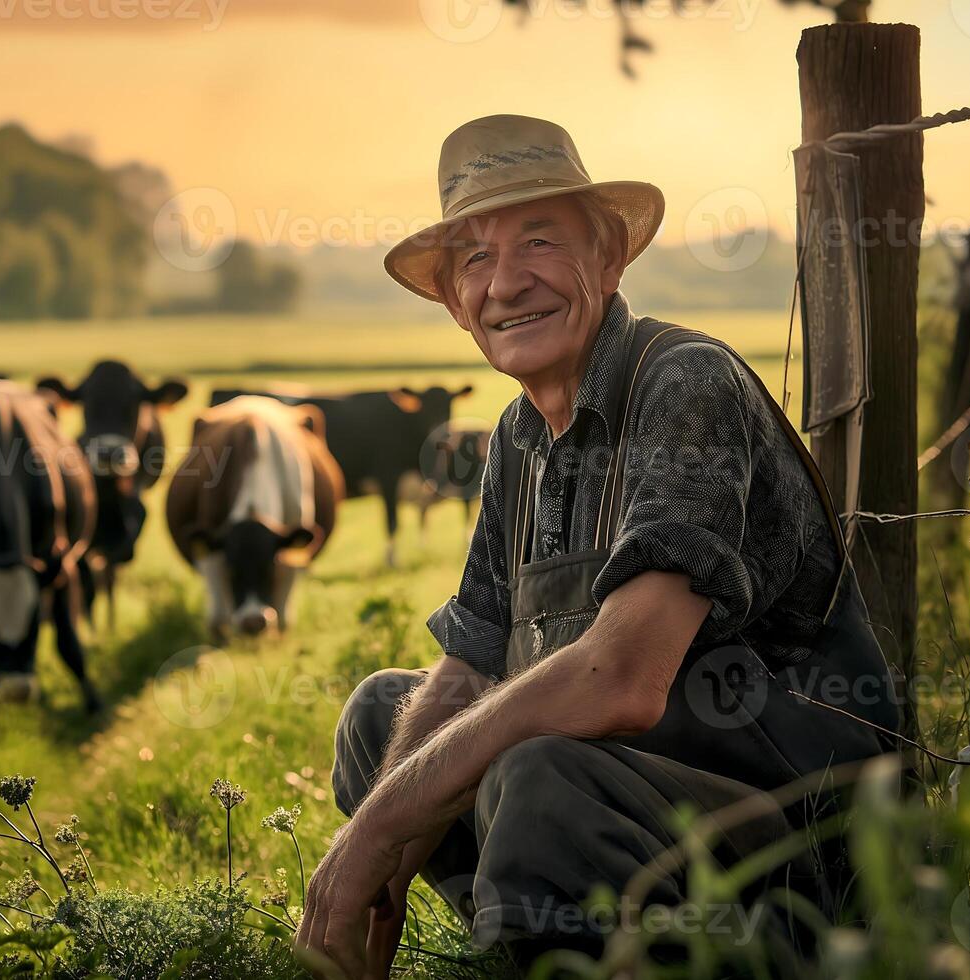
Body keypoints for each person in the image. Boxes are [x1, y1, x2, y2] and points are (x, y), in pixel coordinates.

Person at [295, 115, 899, 979]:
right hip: (644, 815)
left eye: (539, 241)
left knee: (534, 776)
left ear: (610, 256)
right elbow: (470, 660)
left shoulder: (685, 384)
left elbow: (620, 676)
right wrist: (382, 822)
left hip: (808, 850)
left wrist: (384, 824)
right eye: (473, 259)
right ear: (456, 305)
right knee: (381, 720)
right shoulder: (517, 438)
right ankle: (550, 951)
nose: (506, 282)